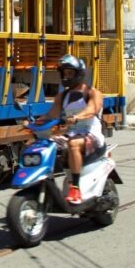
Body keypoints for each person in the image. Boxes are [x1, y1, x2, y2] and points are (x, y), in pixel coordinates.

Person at [35, 54, 105, 205]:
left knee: (73, 144)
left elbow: (92, 109)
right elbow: (51, 114)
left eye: (70, 73)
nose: (66, 76)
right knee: (36, 143)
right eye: (64, 73)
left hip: (91, 134)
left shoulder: (93, 92)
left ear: (79, 74)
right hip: (71, 133)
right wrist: (36, 122)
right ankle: (41, 181)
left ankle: (75, 187)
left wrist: (78, 116)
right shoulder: (62, 96)